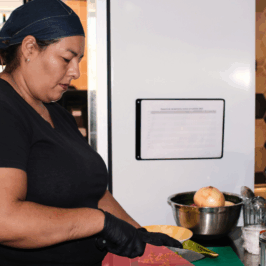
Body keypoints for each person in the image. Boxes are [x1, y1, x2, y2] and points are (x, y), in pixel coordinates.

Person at [0, 0, 183, 265]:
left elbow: (93, 191)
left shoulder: (57, 114)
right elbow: (5, 220)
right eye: (66, 58)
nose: (75, 72)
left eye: (79, 60)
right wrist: (99, 222)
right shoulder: (5, 109)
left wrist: (139, 234)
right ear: (29, 48)